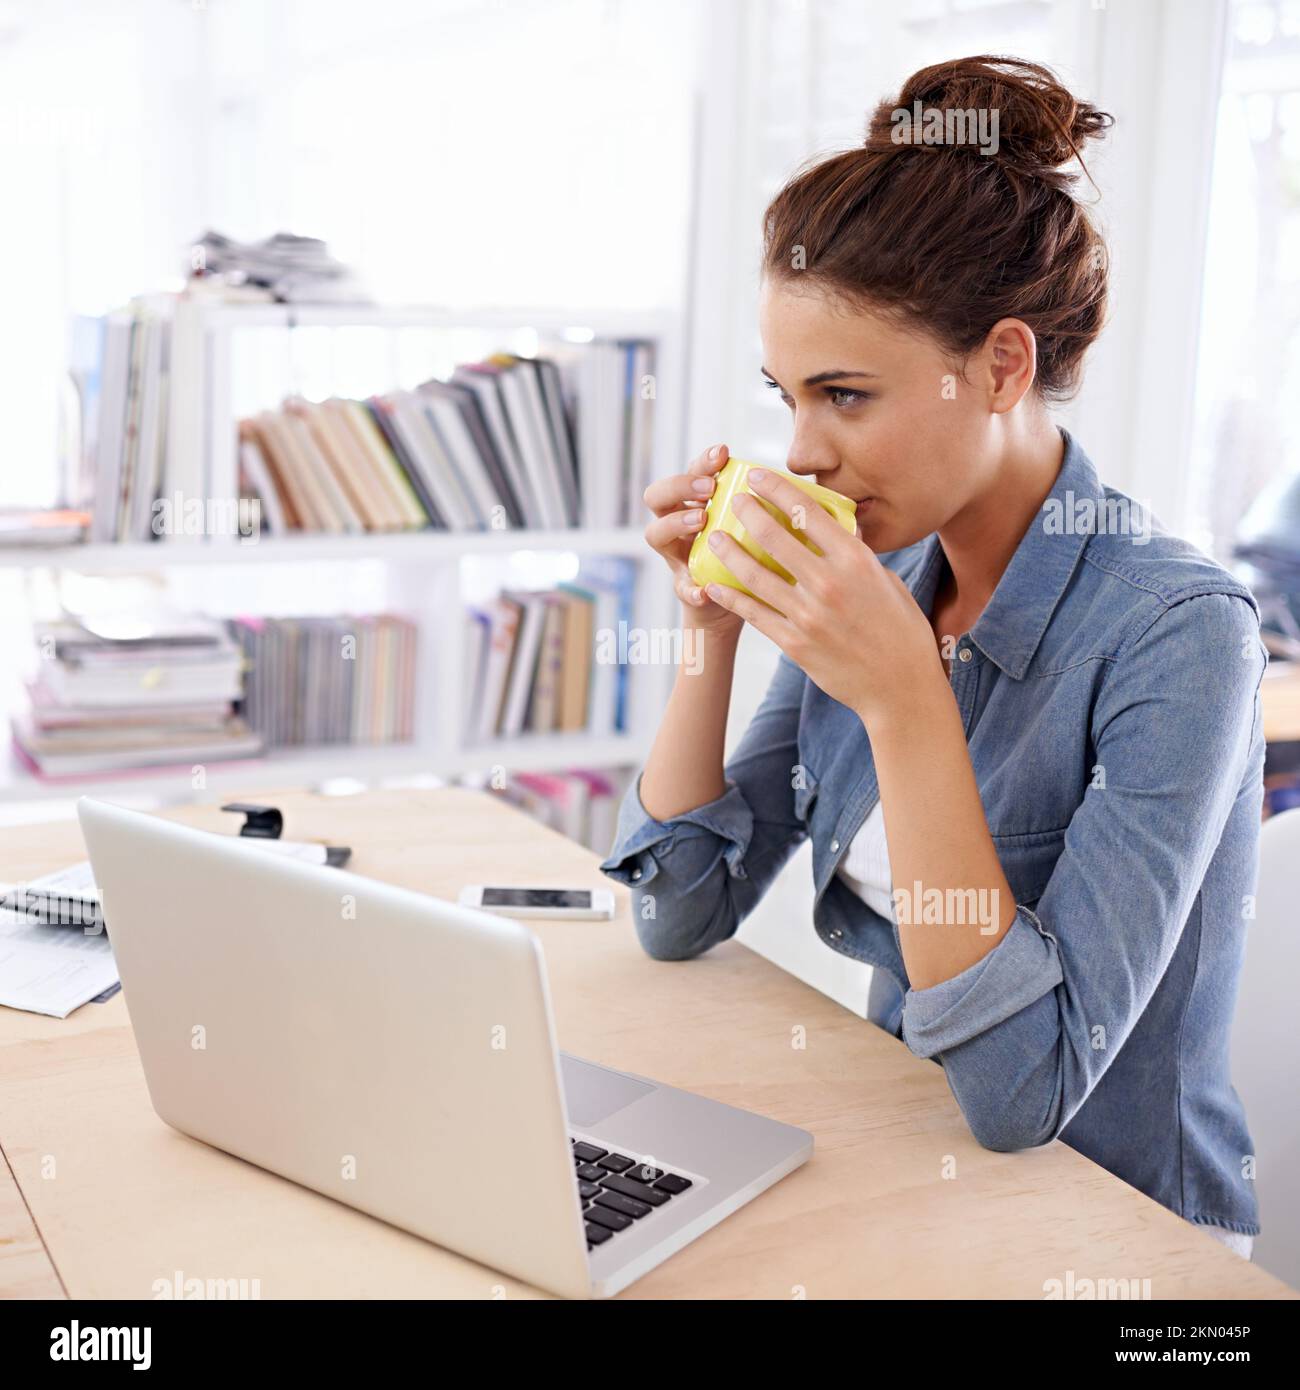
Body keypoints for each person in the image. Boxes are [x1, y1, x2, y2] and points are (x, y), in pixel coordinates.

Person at [599, 55, 1263, 1260]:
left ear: (1002, 366)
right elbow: (682, 915)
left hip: (1115, 1238)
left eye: (845, 396)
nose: (801, 452)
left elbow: (1023, 1095)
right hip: (914, 1169)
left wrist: (910, 701)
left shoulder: (1178, 634)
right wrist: (706, 631)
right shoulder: (889, 574)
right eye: (787, 396)